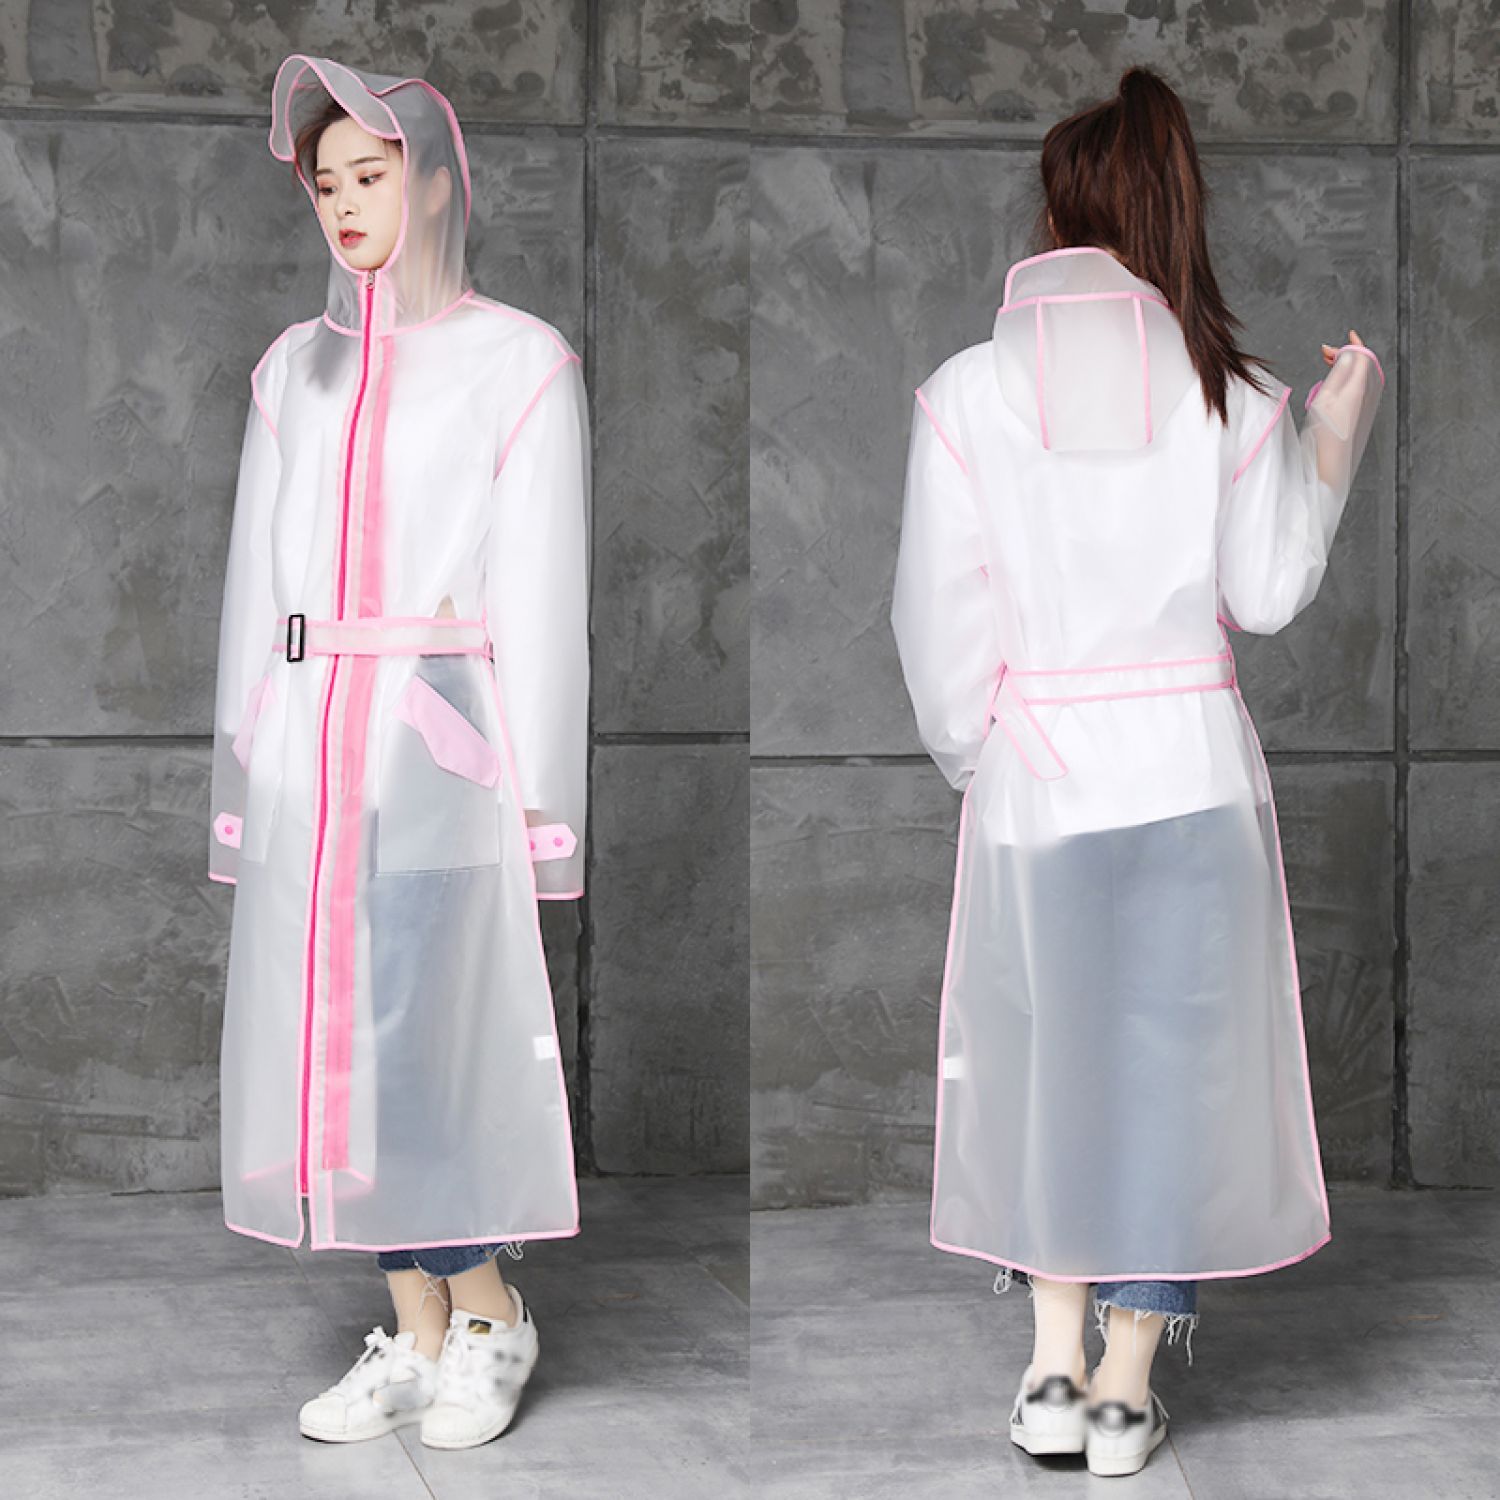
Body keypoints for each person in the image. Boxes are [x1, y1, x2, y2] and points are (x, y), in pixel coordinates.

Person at [889, 65, 1382, 1478]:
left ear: (1057, 216)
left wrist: (981, 756)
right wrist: (1334, 436)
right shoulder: (1232, 393)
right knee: (1169, 1071)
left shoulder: (968, 393)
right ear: (1175, 212)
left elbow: (939, 623)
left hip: (1041, 781)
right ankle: (1122, 1387)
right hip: (1188, 779)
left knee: (1050, 1065)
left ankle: (1052, 1368)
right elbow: (1268, 592)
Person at [208, 55, 590, 1450]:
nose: (348, 203)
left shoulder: (518, 363)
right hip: (313, 760)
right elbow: (258, 591)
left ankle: (490, 1315)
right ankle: (419, 1336)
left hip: (433, 763)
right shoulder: (293, 372)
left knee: (419, 1045)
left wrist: (535, 807)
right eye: (327, 184)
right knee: (340, 1061)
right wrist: (249, 772)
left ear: (433, 182)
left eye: (373, 173)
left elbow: (539, 603)